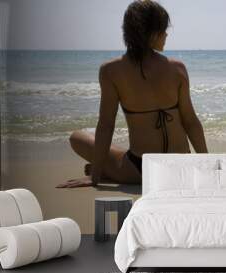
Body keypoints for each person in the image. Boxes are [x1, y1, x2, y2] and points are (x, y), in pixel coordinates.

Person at [56, 0, 208, 189]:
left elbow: (106, 125)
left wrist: (94, 179)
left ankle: (104, 170)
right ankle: (106, 169)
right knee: (115, 152)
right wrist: (206, 167)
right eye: (162, 29)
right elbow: (190, 122)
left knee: (77, 137)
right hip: (180, 167)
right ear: (150, 34)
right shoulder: (177, 69)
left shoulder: (111, 71)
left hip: (140, 169)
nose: (166, 34)